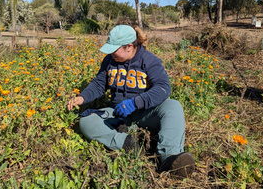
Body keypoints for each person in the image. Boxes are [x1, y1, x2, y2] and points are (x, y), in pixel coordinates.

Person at [66, 25, 195, 178]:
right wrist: (82, 97)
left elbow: (163, 88)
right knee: (86, 121)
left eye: (114, 49)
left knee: (173, 106)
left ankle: (170, 157)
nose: (111, 53)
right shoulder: (109, 60)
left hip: (145, 114)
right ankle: (128, 143)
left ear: (129, 47)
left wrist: (136, 103)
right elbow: (99, 84)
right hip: (118, 114)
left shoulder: (149, 61)